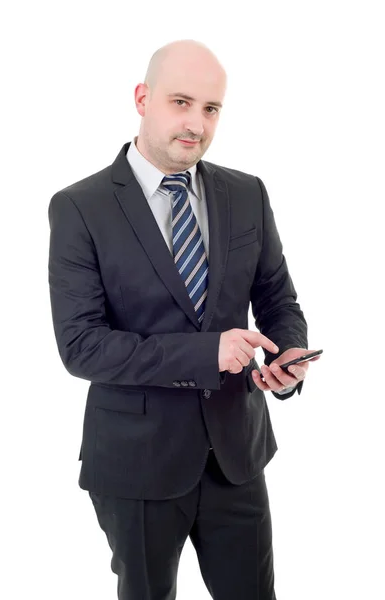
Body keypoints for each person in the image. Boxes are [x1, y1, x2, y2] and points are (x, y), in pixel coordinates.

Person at [48, 38, 319, 600]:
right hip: (137, 463)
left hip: (236, 456)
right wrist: (206, 353)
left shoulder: (246, 193)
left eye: (211, 108)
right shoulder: (80, 207)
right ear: (143, 98)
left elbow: (277, 299)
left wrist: (287, 356)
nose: (196, 122)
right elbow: (82, 346)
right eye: (181, 102)